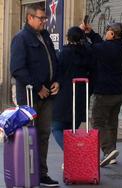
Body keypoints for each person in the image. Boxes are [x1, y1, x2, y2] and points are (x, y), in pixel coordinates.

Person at [10, 3, 60, 187]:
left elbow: (54, 60)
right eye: (41, 18)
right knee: (29, 134)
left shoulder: (45, 36)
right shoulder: (21, 39)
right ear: (29, 18)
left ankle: (42, 174)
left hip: (47, 94)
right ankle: (26, 173)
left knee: (44, 134)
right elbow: (17, 69)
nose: (44, 22)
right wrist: (38, 86)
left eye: (45, 18)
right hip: (30, 95)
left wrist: (57, 80)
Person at [80, 22, 122, 167]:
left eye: (108, 30)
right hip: (118, 92)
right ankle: (112, 153)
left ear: (112, 34)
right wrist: (91, 33)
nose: (106, 32)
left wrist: (82, 34)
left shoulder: (105, 48)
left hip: (104, 92)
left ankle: (108, 151)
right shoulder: (121, 47)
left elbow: (90, 48)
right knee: (112, 123)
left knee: (98, 122)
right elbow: (100, 44)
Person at [52, 26, 91, 151]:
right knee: (72, 128)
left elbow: (57, 71)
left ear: (68, 38)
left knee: (56, 127)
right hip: (81, 95)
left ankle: (72, 154)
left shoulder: (64, 53)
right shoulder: (87, 52)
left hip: (65, 95)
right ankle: (71, 160)